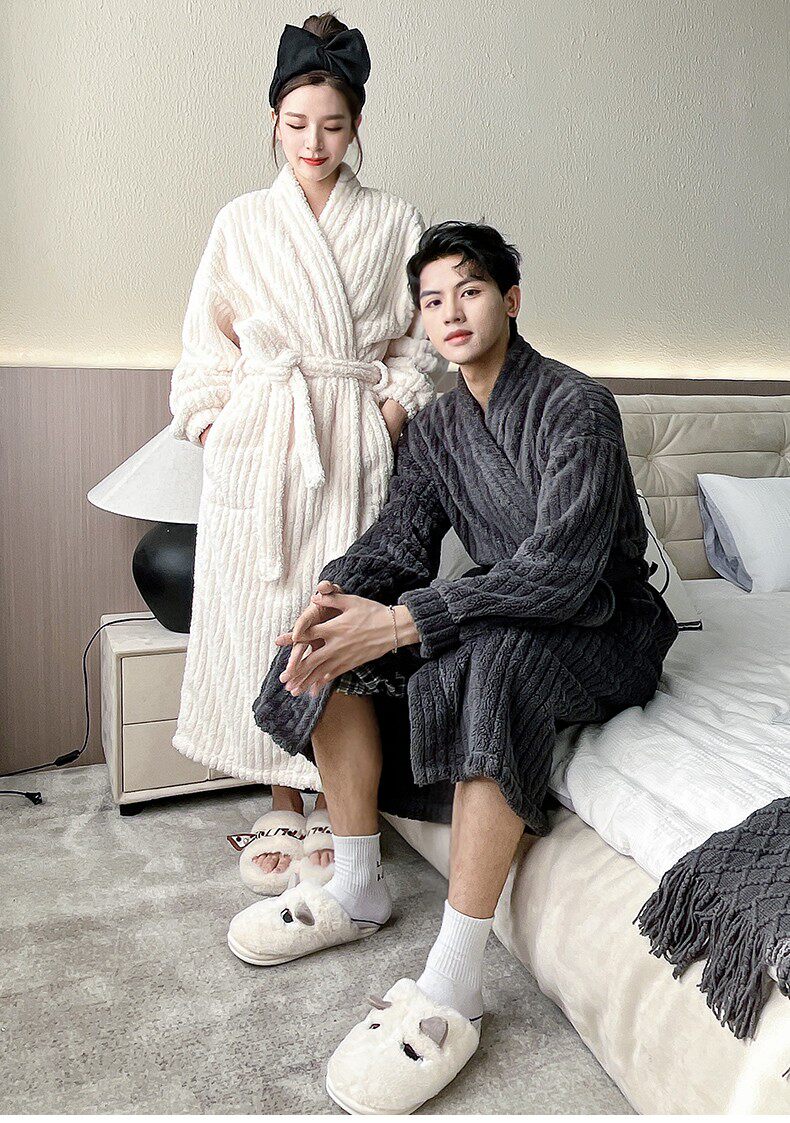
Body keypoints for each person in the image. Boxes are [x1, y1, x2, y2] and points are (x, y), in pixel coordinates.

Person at [231, 219, 681, 1113]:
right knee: (338, 649)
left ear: (510, 299)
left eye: (469, 291)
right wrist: (336, 598)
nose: (451, 312)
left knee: (495, 660)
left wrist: (404, 622)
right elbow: (398, 541)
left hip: (603, 622)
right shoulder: (437, 427)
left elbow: (563, 572)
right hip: (504, 604)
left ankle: (456, 975)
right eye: (432, 300)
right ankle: (357, 881)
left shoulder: (578, 406)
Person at [167, 14, 445, 896]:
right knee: (261, 616)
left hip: (351, 441)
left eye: (332, 125)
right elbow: (205, 343)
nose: (314, 144)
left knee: (332, 618)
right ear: (274, 123)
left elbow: (422, 337)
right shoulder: (242, 222)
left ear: (356, 125)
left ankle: (336, 805)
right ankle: (280, 799)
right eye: (296, 125)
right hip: (263, 441)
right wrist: (216, 428)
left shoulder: (394, 220)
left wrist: (392, 411)